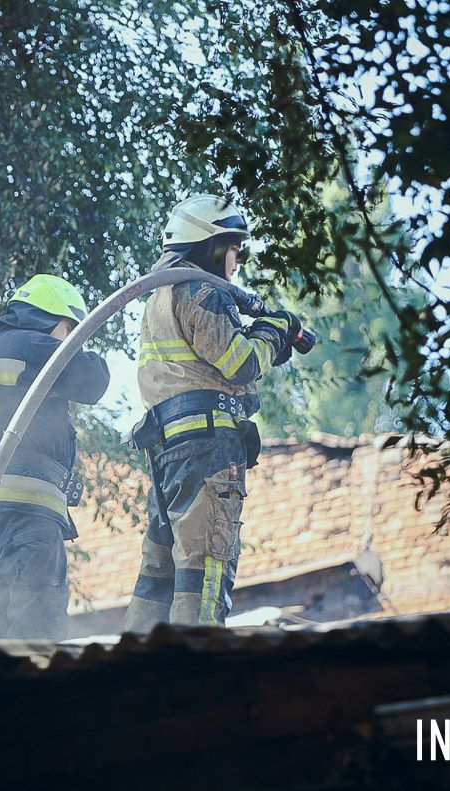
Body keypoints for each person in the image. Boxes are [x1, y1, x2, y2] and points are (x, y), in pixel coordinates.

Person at [123, 194, 300, 631]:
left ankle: (136, 664)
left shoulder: (158, 297)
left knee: (160, 574)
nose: (237, 263)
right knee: (206, 566)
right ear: (212, 246)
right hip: (207, 451)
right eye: (234, 249)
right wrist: (274, 330)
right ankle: (195, 667)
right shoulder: (202, 290)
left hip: (168, 453)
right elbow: (241, 364)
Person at [0, 274, 110, 640]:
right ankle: (33, 696)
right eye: (70, 330)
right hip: (33, 516)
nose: (69, 341)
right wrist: (78, 348)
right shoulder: (35, 347)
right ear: (54, 318)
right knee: (36, 627)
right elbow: (93, 380)